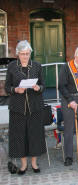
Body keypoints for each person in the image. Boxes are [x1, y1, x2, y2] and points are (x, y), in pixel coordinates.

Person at [5, 40, 46, 175]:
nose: (25, 56)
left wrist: (37, 87)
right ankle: (23, 165)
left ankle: (34, 163)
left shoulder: (37, 66)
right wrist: (16, 90)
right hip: (18, 108)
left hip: (35, 107)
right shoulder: (12, 66)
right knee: (19, 136)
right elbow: (6, 88)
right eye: (22, 54)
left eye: (27, 54)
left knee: (35, 135)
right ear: (18, 54)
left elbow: (43, 85)